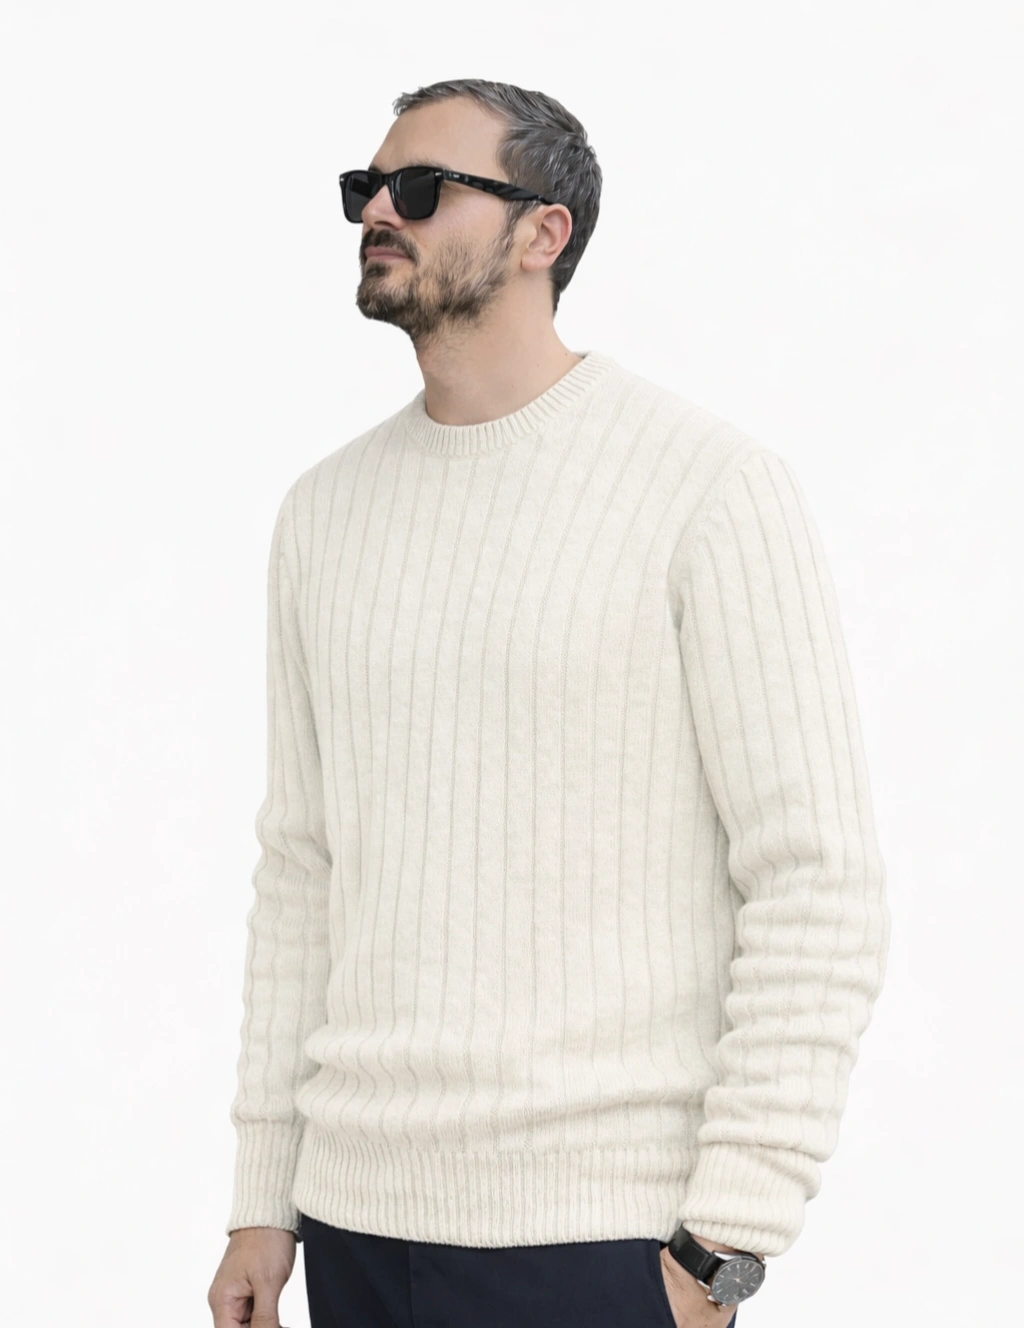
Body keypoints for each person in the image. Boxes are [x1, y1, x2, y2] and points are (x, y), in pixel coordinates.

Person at [207, 77, 891, 1328]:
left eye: (423, 188)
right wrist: (264, 1198)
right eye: (367, 189)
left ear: (543, 232)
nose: (380, 212)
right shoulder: (324, 511)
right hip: (353, 1225)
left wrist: (725, 1240)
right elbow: (302, 866)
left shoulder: (707, 487)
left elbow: (816, 880)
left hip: (597, 1236)